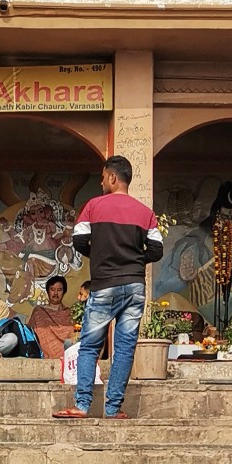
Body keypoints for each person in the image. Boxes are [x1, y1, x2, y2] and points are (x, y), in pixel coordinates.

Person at [55, 155, 163, 420]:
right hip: (135, 286)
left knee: (90, 346)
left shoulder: (93, 206)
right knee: (125, 348)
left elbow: (79, 241)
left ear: (113, 177)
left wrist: (102, 256)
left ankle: (82, 405)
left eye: (103, 177)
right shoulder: (145, 212)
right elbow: (157, 250)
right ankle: (113, 409)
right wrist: (135, 260)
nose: (101, 181)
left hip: (104, 286)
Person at [29, 274, 77, 360]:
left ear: (64, 292)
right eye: (52, 289)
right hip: (44, 357)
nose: (55, 293)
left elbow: (74, 335)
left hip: (68, 356)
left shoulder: (70, 313)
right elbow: (31, 334)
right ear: (47, 291)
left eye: (59, 290)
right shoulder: (39, 312)